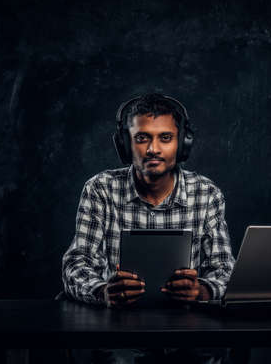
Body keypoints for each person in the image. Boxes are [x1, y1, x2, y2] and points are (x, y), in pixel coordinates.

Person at [62, 93, 236, 363]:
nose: (153, 149)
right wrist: (102, 290)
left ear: (182, 144)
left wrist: (202, 290)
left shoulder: (207, 193)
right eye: (142, 138)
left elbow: (226, 270)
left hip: (190, 330)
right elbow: (76, 263)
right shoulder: (100, 189)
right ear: (124, 144)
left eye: (165, 138)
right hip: (118, 329)